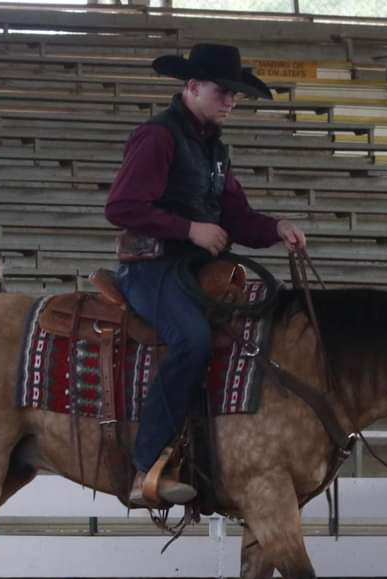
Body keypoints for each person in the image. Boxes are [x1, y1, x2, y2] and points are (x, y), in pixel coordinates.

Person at [104, 43, 306, 507]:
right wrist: (189, 229)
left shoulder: (215, 148)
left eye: (236, 94)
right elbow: (121, 206)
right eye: (223, 92)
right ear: (192, 87)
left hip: (195, 270)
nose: (231, 101)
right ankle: (144, 466)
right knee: (191, 339)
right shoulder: (157, 137)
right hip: (150, 267)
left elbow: (236, 215)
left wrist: (276, 229)